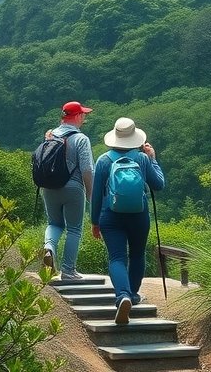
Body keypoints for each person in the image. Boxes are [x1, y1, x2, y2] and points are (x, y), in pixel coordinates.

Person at [90, 117, 165, 325]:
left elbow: (96, 196)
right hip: (139, 215)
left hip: (110, 216)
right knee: (138, 255)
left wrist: (94, 221)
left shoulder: (104, 160)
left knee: (117, 258)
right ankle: (132, 295)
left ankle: (122, 296)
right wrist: (153, 159)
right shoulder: (142, 159)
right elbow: (158, 185)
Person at [41, 101, 95, 280]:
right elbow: (87, 169)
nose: (84, 118)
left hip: (49, 188)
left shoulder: (49, 136)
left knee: (54, 223)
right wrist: (90, 193)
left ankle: (49, 248)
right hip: (73, 188)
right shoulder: (81, 139)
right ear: (78, 116)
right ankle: (68, 270)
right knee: (74, 229)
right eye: (83, 115)